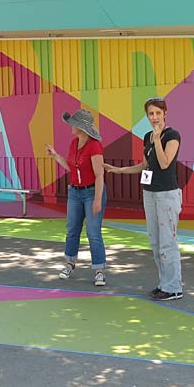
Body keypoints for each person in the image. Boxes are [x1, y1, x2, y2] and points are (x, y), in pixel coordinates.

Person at [104, 97, 183, 301]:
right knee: (155, 242)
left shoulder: (172, 135)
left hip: (166, 194)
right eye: (150, 114)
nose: (154, 117)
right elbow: (146, 165)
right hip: (150, 193)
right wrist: (119, 170)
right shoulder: (147, 136)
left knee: (168, 242)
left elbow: (165, 163)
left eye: (158, 113)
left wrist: (158, 139)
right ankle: (164, 283)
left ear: (165, 113)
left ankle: (174, 287)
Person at [45, 109, 108, 287]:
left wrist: (97, 199)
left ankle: (99, 271)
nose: (70, 127)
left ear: (81, 128)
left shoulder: (94, 146)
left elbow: (99, 175)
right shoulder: (74, 143)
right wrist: (56, 155)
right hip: (74, 192)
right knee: (72, 229)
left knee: (93, 232)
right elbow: (72, 167)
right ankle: (70, 263)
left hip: (91, 192)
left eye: (73, 124)